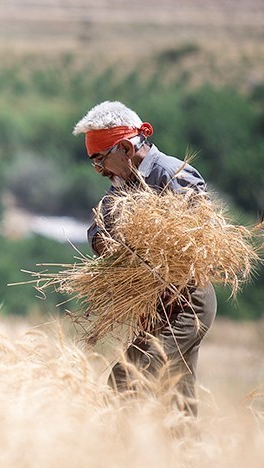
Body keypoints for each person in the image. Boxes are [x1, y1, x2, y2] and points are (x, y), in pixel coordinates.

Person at [72, 100, 217, 417]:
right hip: (157, 306)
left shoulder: (172, 173)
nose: (98, 170)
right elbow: (98, 232)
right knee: (176, 396)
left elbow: (201, 239)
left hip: (187, 301)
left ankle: (126, 457)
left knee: (128, 380)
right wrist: (109, 243)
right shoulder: (122, 184)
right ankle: (188, 460)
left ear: (124, 147)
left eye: (100, 159)